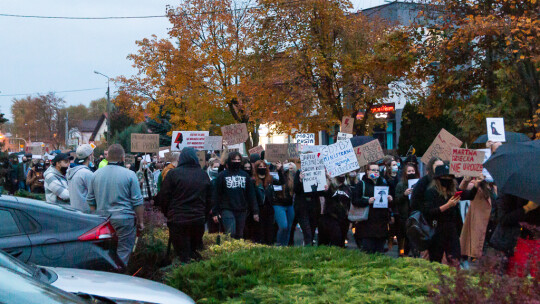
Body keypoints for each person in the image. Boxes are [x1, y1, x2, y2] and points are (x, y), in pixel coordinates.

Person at [87, 144, 144, 267]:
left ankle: (106, 272)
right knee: (123, 251)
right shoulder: (130, 175)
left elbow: (90, 200)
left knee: (105, 250)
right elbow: (137, 201)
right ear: (123, 158)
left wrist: (95, 216)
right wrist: (141, 221)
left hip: (102, 219)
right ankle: (119, 273)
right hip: (124, 219)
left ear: (107, 158)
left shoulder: (96, 174)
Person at [159, 148, 211, 263]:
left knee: (182, 255)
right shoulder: (203, 175)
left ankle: (182, 275)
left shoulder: (173, 174)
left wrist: (168, 213)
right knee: (193, 252)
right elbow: (209, 199)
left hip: (177, 219)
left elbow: (163, 197)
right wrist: (203, 216)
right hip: (197, 220)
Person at [421, 163, 478, 266]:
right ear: (438, 178)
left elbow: (470, 195)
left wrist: (476, 185)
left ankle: (454, 280)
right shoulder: (431, 192)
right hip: (437, 230)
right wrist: (447, 205)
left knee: (454, 258)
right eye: (444, 177)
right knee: (435, 261)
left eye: (449, 177)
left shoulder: (453, 191)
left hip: (452, 229)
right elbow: (429, 212)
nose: (446, 179)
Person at [212, 151, 259, 239]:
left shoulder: (245, 175)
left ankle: (237, 252)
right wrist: (215, 212)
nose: (236, 161)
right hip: (227, 208)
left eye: (238, 159)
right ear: (229, 161)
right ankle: (229, 251)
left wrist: (255, 211)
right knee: (230, 233)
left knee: (239, 235)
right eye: (234, 159)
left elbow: (251, 194)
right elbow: (216, 194)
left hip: (242, 209)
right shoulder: (222, 175)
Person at [353, 162, 393, 254]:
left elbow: (388, 204)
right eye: (373, 170)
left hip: (381, 226)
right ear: (367, 171)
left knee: (379, 252)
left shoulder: (383, 184)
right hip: (366, 225)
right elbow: (355, 200)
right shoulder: (361, 184)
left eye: (378, 170)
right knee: (368, 251)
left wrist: (389, 199)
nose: (376, 172)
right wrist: (367, 201)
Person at [459, 175, 496, 259]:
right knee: (478, 255)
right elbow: (461, 192)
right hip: (480, 225)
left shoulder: (494, 186)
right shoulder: (475, 184)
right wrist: (466, 180)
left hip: (492, 226)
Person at [292, 169, 324, 246]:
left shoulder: (318, 173)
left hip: (314, 207)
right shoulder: (299, 172)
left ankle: (308, 248)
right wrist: (300, 180)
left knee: (312, 230)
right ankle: (308, 249)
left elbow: (321, 192)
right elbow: (296, 190)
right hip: (302, 206)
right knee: (307, 232)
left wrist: (325, 186)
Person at [319, 174, 352, 247]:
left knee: (341, 242)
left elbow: (349, 203)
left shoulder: (347, 188)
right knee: (336, 239)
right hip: (331, 217)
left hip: (344, 219)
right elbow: (323, 193)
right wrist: (328, 182)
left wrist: (350, 220)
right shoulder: (330, 187)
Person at [395, 163, 420, 257]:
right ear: (405, 173)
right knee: (405, 237)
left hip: (416, 214)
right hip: (405, 215)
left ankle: (415, 255)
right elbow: (396, 200)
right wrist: (404, 195)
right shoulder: (401, 185)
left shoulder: (419, 183)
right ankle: (403, 254)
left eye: (413, 171)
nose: (411, 173)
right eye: (409, 171)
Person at [251, 160, 276, 245]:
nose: (262, 168)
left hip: (269, 208)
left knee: (270, 230)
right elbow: (253, 197)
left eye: (264, 166)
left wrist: (279, 170)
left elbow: (281, 182)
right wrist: (255, 211)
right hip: (259, 208)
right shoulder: (253, 180)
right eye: (260, 167)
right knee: (260, 231)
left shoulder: (270, 179)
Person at [66, 144, 95, 212]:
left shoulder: (71, 172)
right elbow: (94, 195)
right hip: (86, 214)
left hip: (75, 211)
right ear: (89, 156)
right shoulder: (87, 174)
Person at [274, 162, 296, 246]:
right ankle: (279, 245)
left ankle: (285, 246)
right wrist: (280, 171)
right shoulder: (275, 174)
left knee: (289, 228)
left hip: (290, 204)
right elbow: (279, 184)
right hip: (278, 204)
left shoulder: (292, 177)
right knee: (283, 226)